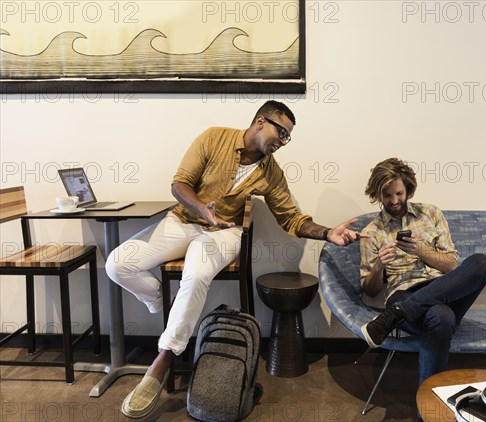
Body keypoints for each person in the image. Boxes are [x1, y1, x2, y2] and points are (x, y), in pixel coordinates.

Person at [106, 101, 364, 418]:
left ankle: (164, 357)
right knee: (117, 263)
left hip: (224, 233)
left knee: (197, 274)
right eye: (280, 131)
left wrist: (328, 233)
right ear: (259, 121)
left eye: (288, 137)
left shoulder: (271, 172)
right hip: (183, 220)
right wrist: (202, 209)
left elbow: (292, 219)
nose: (282, 141)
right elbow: (180, 182)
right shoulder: (213, 137)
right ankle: (161, 299)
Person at [359, 158, 486, 384]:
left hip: (443, 289)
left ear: (408, 189)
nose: (394, 201)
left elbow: (451, 266)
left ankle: (395, 315)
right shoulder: (371, 232)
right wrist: (379, 265)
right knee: (441, 317)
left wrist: (420, 250)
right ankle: (431, 411)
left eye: (399, 193)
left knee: (482, 263)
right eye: (387, 195)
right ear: (378, 195)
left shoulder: (431, 214)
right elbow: (370, 290)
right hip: (403, 293)